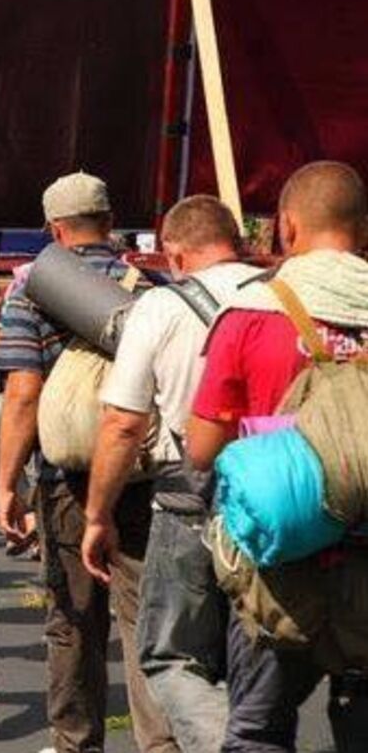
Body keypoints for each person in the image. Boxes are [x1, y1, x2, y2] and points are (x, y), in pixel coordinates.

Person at [187, 161, 368, 753]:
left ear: (286, 227)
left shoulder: (248, 313)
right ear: (362, 230)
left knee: (259, 732)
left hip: (277, 570)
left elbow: (202, 449)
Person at [0, 172, 176, 753]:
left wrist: (4, 484)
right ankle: (161, 744)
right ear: (110, 217)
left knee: (73, 618)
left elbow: (23, 393)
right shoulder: (150, 288)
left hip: (66, 479)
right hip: (140, 472)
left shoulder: (29, 292)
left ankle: (75, 742)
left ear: (54, 228)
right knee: (145, 616)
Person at [79, 195, 259, 753]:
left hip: (188, 495)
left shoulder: (161, 308)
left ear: (175, 254)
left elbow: (122, 425)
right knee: (254, 657)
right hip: (278, 494)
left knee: (175, 656)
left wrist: (98, 515)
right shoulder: (282, 295)